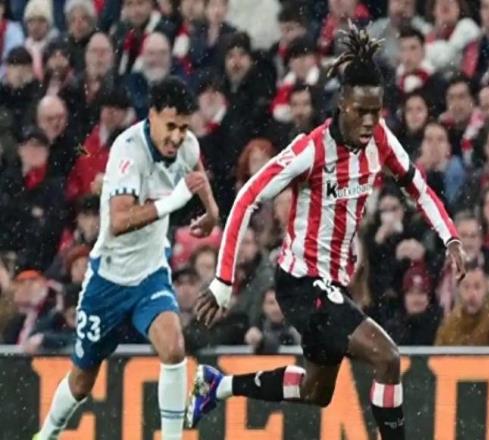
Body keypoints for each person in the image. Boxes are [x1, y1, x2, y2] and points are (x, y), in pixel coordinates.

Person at [185, 25, 466, 440]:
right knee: (387, 357)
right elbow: (246, 198)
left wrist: (451, 237)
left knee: (316, 390)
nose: (369, 121)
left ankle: (218, 385)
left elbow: (418, 188)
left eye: (376, 111)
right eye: (361, 111)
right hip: (300, 282)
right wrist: (224, 281)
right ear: (342, 105)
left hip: (334, 283)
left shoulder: (381, 139)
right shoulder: (311, 149)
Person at [33, 77, 219, 440]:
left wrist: (211, 212)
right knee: (81, 381)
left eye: (183, 128)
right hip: (108, 282)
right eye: (171, 126)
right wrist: (173, 201)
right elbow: (119, 222)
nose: (177, 137)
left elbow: (194, 170)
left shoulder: (186, 144)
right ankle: (47, 434)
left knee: (174, 349)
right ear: (152, 115)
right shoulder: (128, 150)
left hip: (150, 274)